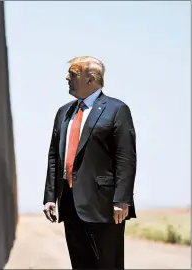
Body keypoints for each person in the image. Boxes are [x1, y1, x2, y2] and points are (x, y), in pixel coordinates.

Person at [42, 56, 137, 269]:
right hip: (69, 203)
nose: (67, 78)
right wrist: (50, 196)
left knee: (107, 265)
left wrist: (122, 198)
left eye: (73, 74)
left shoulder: (117, 109)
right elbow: (53, 156)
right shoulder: (63, 112)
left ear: (90, 78)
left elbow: (126, 157)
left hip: (104, 206)